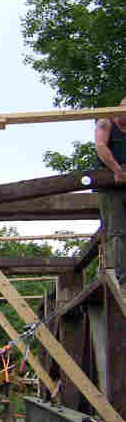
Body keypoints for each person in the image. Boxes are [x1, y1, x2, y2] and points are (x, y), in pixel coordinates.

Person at [94, 96, 126, 284]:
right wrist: (117, 170)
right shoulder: (106, 123)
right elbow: (100, 146)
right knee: (117, 231)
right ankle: (123, 278)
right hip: (110, 184)